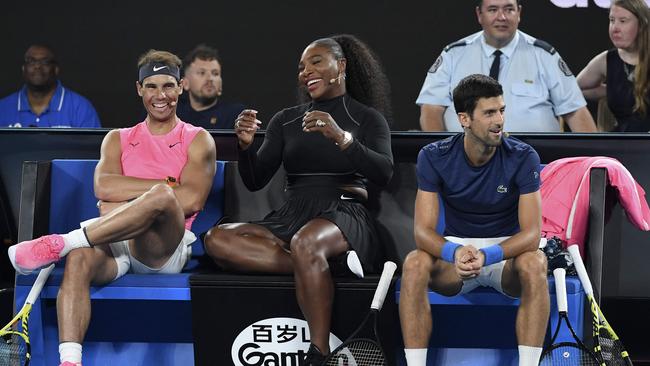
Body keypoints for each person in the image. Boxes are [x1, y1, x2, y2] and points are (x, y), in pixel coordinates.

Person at [7, 49, 216, 366]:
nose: (160, 95)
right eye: (151, 86)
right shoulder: (117, 139)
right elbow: (104, 189)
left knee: (161, 198)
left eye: (168, 86)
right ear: (139, 89)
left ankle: (63, 242)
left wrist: (143, 195)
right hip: (117, 244)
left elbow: (191, 200)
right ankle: (70, 361)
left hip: (164, 248)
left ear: (182, 86)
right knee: (78, 261)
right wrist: (171, 182)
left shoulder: (198, 139)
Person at [203, 34, 393, 365]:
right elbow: (255, 180)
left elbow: (384, 173)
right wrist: (245, 147)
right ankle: (330, 268)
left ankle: (318, 352)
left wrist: (341, 137)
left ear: (341, 66)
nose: (306, 71)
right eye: (301, 67)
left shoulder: (367, 118)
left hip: (344, 211)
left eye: (316, 61)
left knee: (306, 244)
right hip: (292, 215)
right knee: (217, 238)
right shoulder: (285, 120)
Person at [400, 74, 549, 366]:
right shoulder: (434, 157)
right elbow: (422, 232)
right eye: (490, 112)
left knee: (536, 261)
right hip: (457, 257)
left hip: (505, 257)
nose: (500, 120)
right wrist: (454, 252)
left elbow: (532, 234)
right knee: (415, 262)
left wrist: (487, 254)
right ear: (464, 119)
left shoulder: (523, 156)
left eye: (502, 110)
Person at [416, 0, 597, 133]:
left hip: (535, 161)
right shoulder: (453, 55)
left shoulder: (544, 55)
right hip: (466, 162)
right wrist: (444, 155)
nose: (501, 17)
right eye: (493, 10)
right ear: (479, 14)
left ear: (519, 13)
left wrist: (595, 163)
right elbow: (431, 109)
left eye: (509, 9)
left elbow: (576, 112)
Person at [577, 0, 650, 132]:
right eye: (612, 20)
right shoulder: (607, 60)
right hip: (621, 144)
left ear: (642, 25)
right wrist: (611, 91)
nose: (615, 28)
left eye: (623, 21)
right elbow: (572, 90)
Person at [0, 44, 101, 128]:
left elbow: (92, 151)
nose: (37, 66)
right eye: (31, 61)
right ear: (23, 69)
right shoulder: (3, 108)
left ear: (56, 69)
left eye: (45, 62)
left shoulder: (80, 108)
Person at [176, 44, 245, 129]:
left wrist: (244, 142)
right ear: (185, 83)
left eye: (215, 73)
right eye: (202, 73)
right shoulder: (174, 113)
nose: (210, 78)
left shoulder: (236, 116)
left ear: (221, 84)